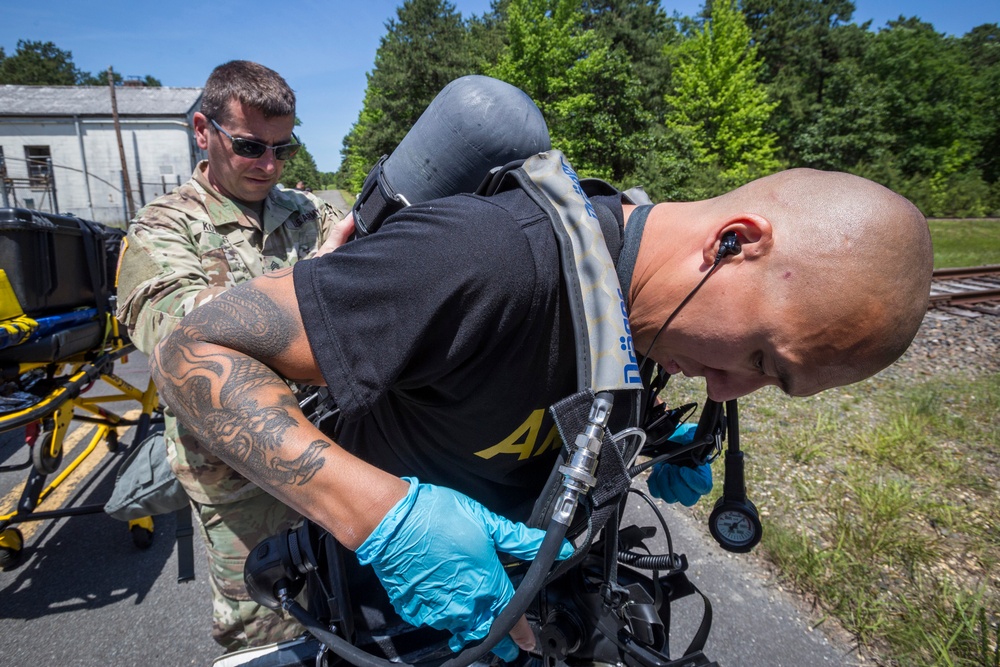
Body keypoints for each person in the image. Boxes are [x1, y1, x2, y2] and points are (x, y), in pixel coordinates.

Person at [148, 160, 933, 660]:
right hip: (380, 614)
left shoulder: (631, 317)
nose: (732, 389)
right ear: (733, 242)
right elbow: (195, 350)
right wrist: (382, 516)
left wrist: (657, 440)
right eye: (762, 358)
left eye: (772, 382)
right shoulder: (493, 258)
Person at [115, 60, 350, 652]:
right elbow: (179, 333)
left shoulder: (303, 209)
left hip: (340, 444)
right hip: (239, 472)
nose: (269, 166)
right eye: (249, 147)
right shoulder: (160, 228)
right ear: (203, 130)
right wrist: (314, 282)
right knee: (269, 622)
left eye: (282, 148)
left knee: (352, 599)